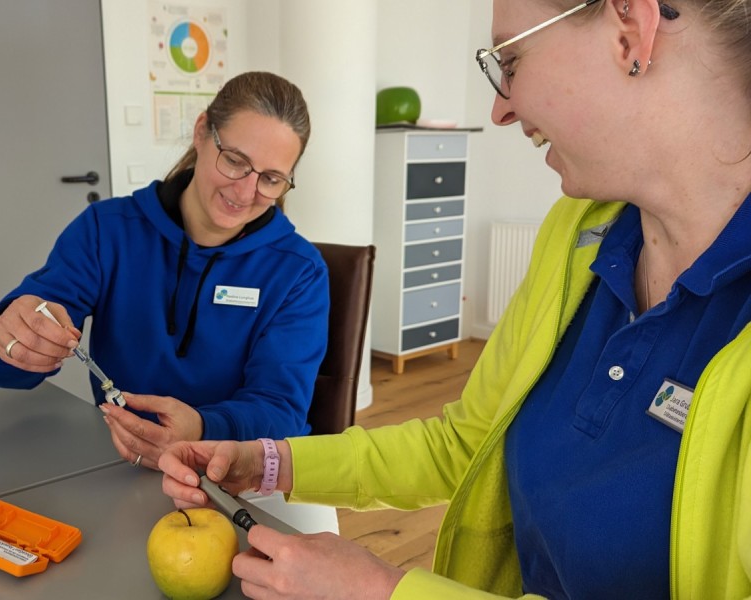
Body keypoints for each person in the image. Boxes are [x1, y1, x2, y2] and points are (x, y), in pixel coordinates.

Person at [158, 1, 751, 599]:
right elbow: (461, 445)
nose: (499, 108)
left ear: (630, 30)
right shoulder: (580, 233)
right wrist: (266, 463)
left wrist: (386, 592)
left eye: (510, 59)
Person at [0, 71, 330, 471]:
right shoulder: (107, 230)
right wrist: (9, 334)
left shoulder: (300, 271)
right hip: (121, 464)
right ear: (202, 132)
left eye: (271, 178)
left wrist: (202, 428)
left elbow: (281, 411)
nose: (245, 193)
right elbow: (3, 363)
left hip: (233, 473)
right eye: (235, 161)